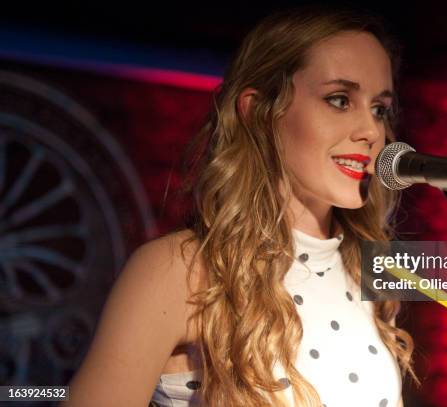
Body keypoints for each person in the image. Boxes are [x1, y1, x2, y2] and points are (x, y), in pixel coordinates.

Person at [62, 5, 418, 407]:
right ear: (259, 112)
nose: (371, 131)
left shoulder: (369, 270)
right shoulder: (179, 269)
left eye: (379, 109)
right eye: (339, 100)